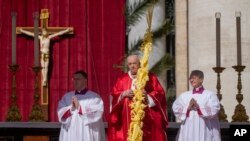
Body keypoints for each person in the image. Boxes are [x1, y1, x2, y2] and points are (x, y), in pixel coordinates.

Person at [108, 54, 168, 141]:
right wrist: (123, 94)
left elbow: (160, 93)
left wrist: (147, 95)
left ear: (139, 63)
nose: (132, 66)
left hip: (145, 119)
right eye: (130, 64)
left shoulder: (150, 77)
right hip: (126, 119)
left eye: (134, 63)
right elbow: (114, 94)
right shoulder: (122, 79)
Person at [172, 70, 221, 141]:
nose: (191, 80)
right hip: (188, 128)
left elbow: (215, 108)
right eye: (190, 78)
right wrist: (188, 108)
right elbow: (176, 108)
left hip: (204, 127)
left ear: (201, 79)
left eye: (194, 78)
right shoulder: (184, 95)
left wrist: (198, 107)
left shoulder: (210, 94)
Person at [57, 70, 106, 141]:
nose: (75, 81)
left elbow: (97, 113)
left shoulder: (94, 97)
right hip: (71, 132)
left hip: (86, 131)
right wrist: (71, 109)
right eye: (74, 79)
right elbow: (60, 111)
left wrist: (80, 108)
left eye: (78, 79)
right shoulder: (67, 97)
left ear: (85, 80)